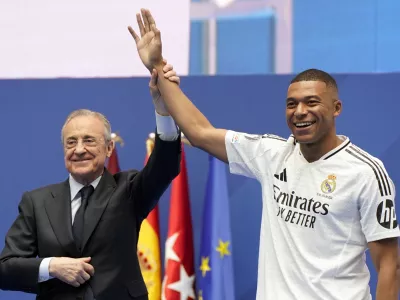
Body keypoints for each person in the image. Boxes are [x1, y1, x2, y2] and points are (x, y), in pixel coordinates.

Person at [128, 9, 400, 300]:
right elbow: (200, 132)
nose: (300, 112)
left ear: (336, 108)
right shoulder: (272, 154)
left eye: (312, 102)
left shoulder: (366, 172)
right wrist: (156, 64)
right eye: (291, 104)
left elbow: (389, 266)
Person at [0, 63, 182, 299]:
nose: (79, 149)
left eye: (89, 140)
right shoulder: (37, 202)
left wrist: (163, 108)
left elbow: (165, 165)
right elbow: (5, 268)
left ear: (109, 148)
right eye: (71, 142)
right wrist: (51, 266)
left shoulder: (128, 190)